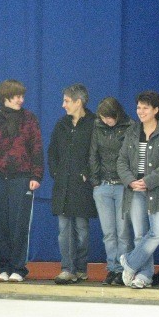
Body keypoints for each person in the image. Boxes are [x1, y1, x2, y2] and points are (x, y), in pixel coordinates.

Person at [0, 79, 44, 282]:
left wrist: (36, 175)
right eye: (17, 96)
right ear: (6, 97)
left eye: (22, 96)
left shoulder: (29, 119)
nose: (21, 100)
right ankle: (3, 267)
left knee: (19, 224)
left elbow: (36, 148)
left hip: (22, 178)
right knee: (0, 225)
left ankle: (18, 267)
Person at [117, 90, 159, 289]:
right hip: (135, 189)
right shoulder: (132, 131)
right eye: (138, 107)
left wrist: (148, 181)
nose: (140, 111)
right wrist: (130, 181)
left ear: (156, 110)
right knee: (140, 234)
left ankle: (130, 262)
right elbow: (122, 161)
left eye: (145, 108)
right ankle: (144, 275)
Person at [48, 83, 97, 284]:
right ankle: (67, 268)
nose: (63, 105)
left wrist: (87, 174)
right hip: (63, 186)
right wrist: (56, 172)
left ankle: (81, 268)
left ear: (78, 102)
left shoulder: (94, 123)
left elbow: (97, 152)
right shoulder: (61, 124)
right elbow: (52, 152)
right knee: (64, 231)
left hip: (82, 187)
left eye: (67, 101)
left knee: (82, 230)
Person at [88, 97, 134, 285]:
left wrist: (128, 180)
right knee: (108, 232)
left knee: (123, 231)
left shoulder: (130, 126)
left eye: (109, 117)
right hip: (103, 185)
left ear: (117, 114)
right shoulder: (97, 126)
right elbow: (93, 154)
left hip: (123, 185)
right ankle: (112, 268)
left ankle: (124, 269)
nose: (106, 121)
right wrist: (95, 181)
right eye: (103, 117)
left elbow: (132, 156)